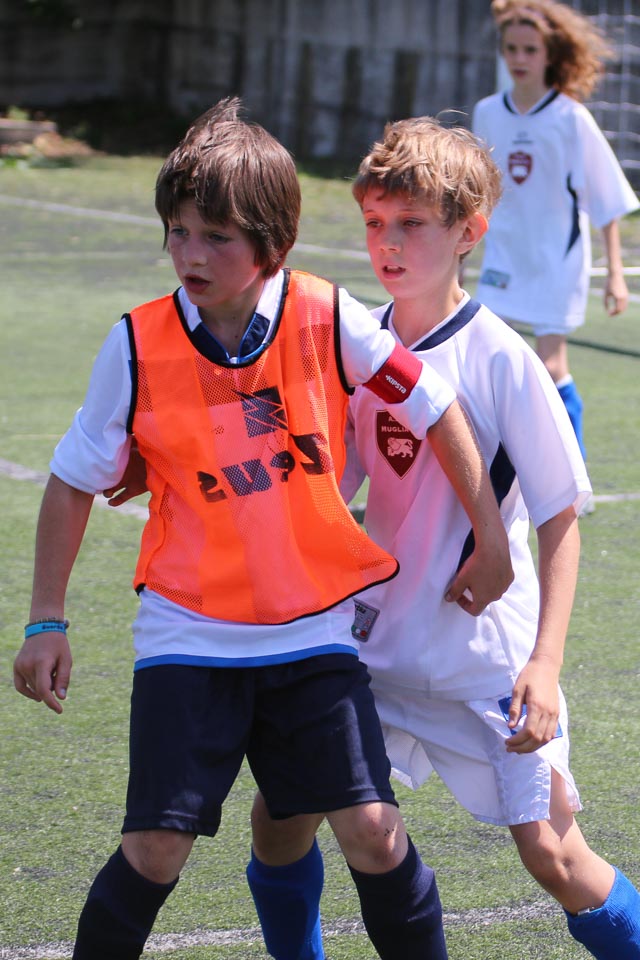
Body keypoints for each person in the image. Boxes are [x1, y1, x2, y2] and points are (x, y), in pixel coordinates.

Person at [12, 97, 514, 960]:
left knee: (375, 832)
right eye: (178, 232)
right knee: (156, 850)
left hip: (312, 634)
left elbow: (436, 406)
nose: (190, 254)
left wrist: (492, 538)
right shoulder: (135, 344)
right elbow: (72, 481)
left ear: (273, 246)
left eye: (217, 238)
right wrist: (45, 620)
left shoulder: (326, 316)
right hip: (188, 636)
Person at [247, 116, 640, 960]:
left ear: (469, 231)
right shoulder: (355, 345)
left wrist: (544, 664)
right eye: (375, 222)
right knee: (279, 816)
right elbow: (329, 485)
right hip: (374, 648)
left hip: (484, 659)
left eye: (413, 223)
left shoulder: (501, 358)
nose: (388, 243)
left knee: (554, 857)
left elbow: (561, 514)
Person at [472, 0, 639, 478]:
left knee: (549, 366)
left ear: (550, 55)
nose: (519, 58)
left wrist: (614, 275)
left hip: (556, 263)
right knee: (488, 362)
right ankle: (496, 474)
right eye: (511, 49)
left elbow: (606, 201)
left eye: (530, 49)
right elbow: (476, 194)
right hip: (504, 259)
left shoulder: (571, 118)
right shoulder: (487, 112)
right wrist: (458, 262)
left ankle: (571, 476)